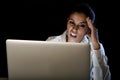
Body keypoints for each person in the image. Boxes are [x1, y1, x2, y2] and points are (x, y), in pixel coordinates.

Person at [46, 3, 111, 80]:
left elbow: (103, 78)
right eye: (71, 22)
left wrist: (95, 45)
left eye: (82, 25)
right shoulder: (51, 42)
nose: (74, 28)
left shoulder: (95, 49)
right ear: (67, 22)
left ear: (89, 29)